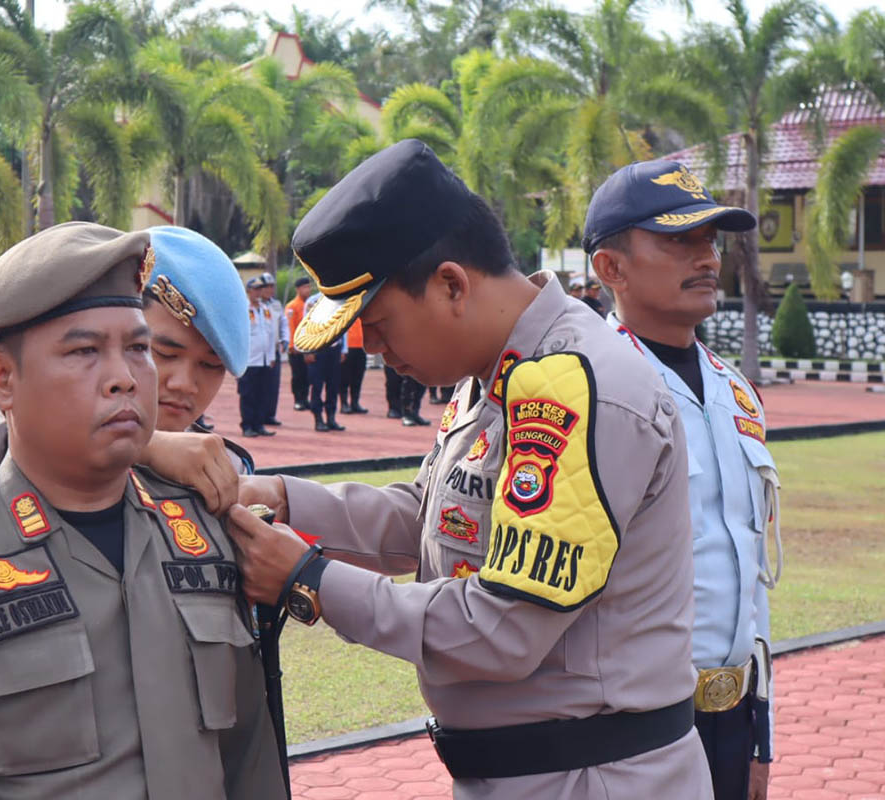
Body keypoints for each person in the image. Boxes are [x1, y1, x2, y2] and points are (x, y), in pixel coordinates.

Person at [229, 139, 709, 798]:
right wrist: (278, 498)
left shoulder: (580, 384)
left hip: (590, 779)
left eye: (378, 321)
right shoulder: (500, 372)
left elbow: (503, 631)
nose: (372, 349)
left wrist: (308, 578)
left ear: (452, 283)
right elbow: (428, 517)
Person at [0, 221, 286, 800]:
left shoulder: (205, 529)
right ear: (1, 378)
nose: (127, 378)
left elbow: (249, 758)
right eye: (84, 351)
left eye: (138, 349)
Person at [585, 160, 780, 800]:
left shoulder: (735, 392)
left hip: (732, 718)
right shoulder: (594, 394)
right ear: (610, 268)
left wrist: (760, 735)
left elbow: (750, 573)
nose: (705, 257)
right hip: (633, 731)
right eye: (678, 240)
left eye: (710, 240)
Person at [0, 224, 256, 501]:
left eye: (210, 367)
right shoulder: (13, 438)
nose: (184, 383)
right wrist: (144, 447)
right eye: (158, 352)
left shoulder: (223, 472)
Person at [302, 290, 345, 431]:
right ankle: (318, 418)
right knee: (317, 385)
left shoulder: (340, 299)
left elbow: (345, 324)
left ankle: (331, 417)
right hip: (318, 349)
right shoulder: (312, 302)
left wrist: (344, 349)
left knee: (333, 385)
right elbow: (304, 327)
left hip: (334, 348)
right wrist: (308, 351)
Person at [239, 277, 276, 438]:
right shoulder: (243, 309)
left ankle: (259, 424)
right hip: (249, 360)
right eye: (255, 290)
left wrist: (272, 355)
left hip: (265, 359)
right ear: (248, 291)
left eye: (260, 289)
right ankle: (247, 425)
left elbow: (270, 333)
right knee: (248, 394)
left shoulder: (265, 309)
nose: (258, 293)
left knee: (263, 393)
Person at [259, 271, 287, 426]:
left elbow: (283, 323)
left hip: (274, 350)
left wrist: (285, 339)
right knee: (261, 384)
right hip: (260, 352)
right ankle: (260, 414)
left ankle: (270, 414)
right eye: (266, 287)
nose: (270, 290)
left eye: (271, 287)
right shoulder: (255, 305)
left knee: (273, 385)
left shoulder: (276, 304)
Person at [284, 276, 311, 411]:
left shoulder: (311, 305)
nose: (308, 290)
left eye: (309, 286)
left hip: (308, 347)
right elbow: (290, 327)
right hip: (296, 348)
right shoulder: (292, 306)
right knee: (297, 375)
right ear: (298, 289)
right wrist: (292, 346)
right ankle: (298, 400)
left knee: (307, 375)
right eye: (305, 287)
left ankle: (305, 399)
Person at [339, 319, 369, 414]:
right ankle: (344, 403)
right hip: (348, 347)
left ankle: (355, 403)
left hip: (361, 347)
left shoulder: (363, 311)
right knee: (344, 377)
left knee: (358, 377)